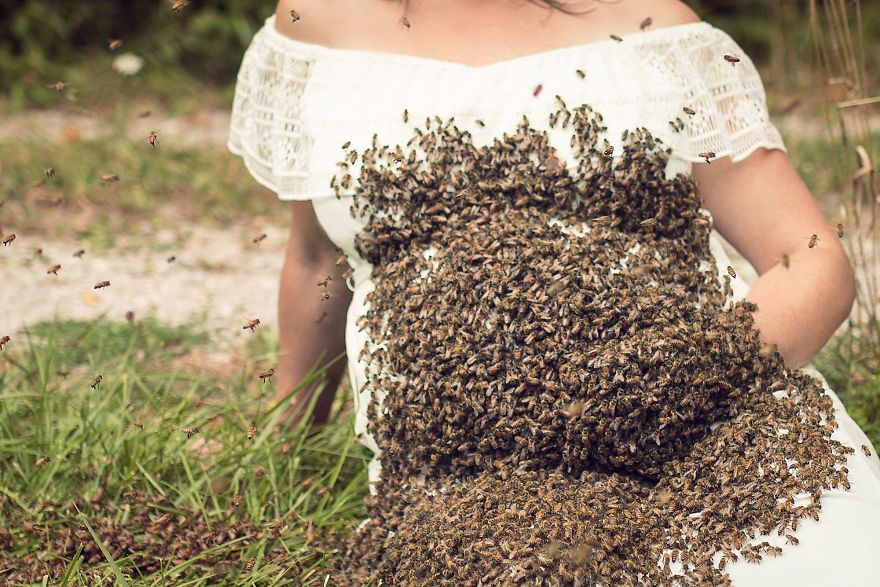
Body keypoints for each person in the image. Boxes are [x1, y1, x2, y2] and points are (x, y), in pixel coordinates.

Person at [227, 0, 880, 583]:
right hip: (462, 481)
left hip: (710, 435)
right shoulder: (316, 23)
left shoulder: (658, 28)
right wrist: (283, 448)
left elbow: (809, 257)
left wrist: (680, 378)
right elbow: (316, 260)